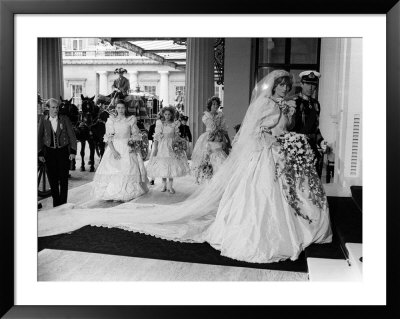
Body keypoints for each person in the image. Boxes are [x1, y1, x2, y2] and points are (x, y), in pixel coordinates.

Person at [38, 70, 332, 264]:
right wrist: (269, 137)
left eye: (286, 86)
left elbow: (286, 127)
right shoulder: (266, 104)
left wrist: (289, 132)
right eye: (280, 85)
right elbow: (254, 131)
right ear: (275, 87)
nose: (283, 89)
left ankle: (292, 225)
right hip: (265, 153)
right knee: (260, 194)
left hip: (280, 153)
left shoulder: (291, 105)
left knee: (283, 193)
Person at [91, 100, 148, 201]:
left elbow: (135, 135)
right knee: (113, 170)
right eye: (118, 108)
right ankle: (112, 193)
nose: (121, 110)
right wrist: (113, 151)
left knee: (128, 169)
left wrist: (133, 145)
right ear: (115, 109)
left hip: (127, 148)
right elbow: (108, 138)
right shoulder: (111, 121)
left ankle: (124, 192)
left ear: (125, 108)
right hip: (115, 147)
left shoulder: (130, 120)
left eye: (122, 108)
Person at [38, 98, 77, 207]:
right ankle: (56, 203)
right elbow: (39, 137)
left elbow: (72, 136)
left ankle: (63, 203)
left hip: (63, 151)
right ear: (48, 108)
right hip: (49, 152)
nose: (56, 110)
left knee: (64, 178)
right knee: (52, 179)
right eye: (53, 107)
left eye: (57, 107)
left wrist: (73, 151)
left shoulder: (64, 119)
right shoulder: (43, 119)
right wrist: (40, 153)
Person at [289, 70, 326, 177]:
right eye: (308, 84)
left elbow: (315, 128)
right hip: (295, 147)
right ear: (301, 84)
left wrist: (321, 141)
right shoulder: (293, 101)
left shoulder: (316, 104)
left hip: (311, 148)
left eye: (313, 85)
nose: (310, 88)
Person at [146, 106, 190, 194]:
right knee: (164, 165)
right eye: (165, 114)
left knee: (171, 165)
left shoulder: (175, 124)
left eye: (169, 114)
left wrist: (179, 144)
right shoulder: (160, 124)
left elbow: (177, 135)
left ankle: (170, 186)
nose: (167, 116)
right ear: (163, 114)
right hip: (163, 146)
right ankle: (164, 185)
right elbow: (157, 137)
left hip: (172, 146)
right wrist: (155, 148)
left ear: (172, 115)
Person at [191, 96, 231, 179]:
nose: (215, 106)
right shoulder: (206, 116)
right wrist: (217, 130)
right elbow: (212, 127)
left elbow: (224, 129)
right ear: (210, 105)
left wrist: (228, 140)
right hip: (209, 137)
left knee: (220, 155)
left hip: (219, 136)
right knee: (208, 155)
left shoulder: (220, 115)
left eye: (217, 104)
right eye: (213, 104)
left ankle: (218, 177)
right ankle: (209, 175)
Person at [147, 112, 163, 186]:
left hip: (163, 146)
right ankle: (152, 179)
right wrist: (155, 136)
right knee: (154, 161)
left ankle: (164, 180)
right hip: (155, 145)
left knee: (163, 162)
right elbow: (149, 137)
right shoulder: (153, 126)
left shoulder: (165, 126)